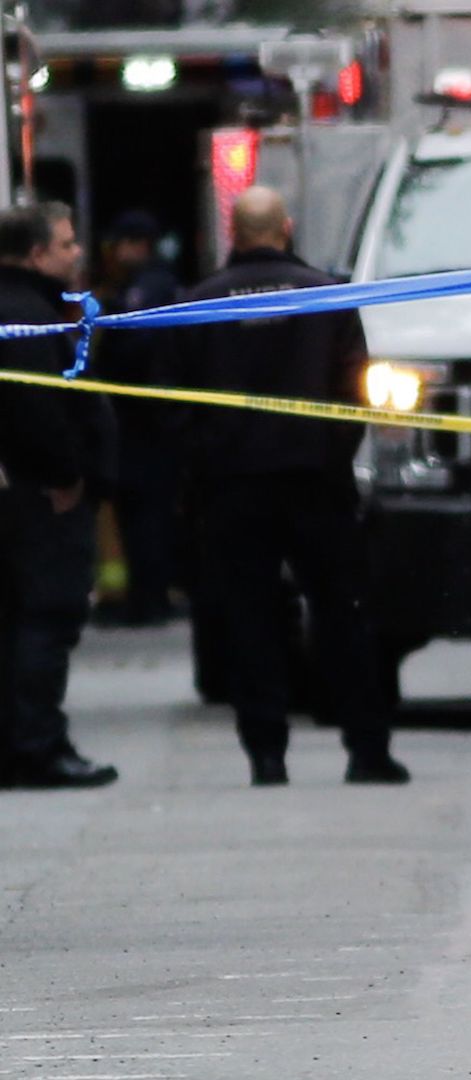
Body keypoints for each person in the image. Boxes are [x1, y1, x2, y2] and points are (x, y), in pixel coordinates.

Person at [165, 187, 409, 787]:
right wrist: (330, 457)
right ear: (287, 227)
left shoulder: (196, 304)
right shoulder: (327, 297)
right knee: (343, 616)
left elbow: (171, 402)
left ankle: (266, 754)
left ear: (234, 232)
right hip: (316, 484)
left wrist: (208, 464)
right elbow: (356, 391)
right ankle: (367, 749)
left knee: (250, 621)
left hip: (233, 489)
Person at [0, 202, 119, 789]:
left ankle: (21, 744)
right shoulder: (27, 317)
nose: (77, 254)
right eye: (67, 244)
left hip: (25, 491)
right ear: (35, 254)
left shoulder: (29, 308)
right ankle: (38, 747)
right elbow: (36, 410)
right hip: (40, 499)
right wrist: (66, 475)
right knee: (45, 620)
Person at [93, 210, 184, 627]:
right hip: (146, 419)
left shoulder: (150, 288)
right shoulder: (147, 284)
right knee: (145, 511)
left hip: (146, 419)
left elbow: (137, 350)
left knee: (146, 513)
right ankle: (149, 595)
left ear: (138, 245)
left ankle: (148, 599)